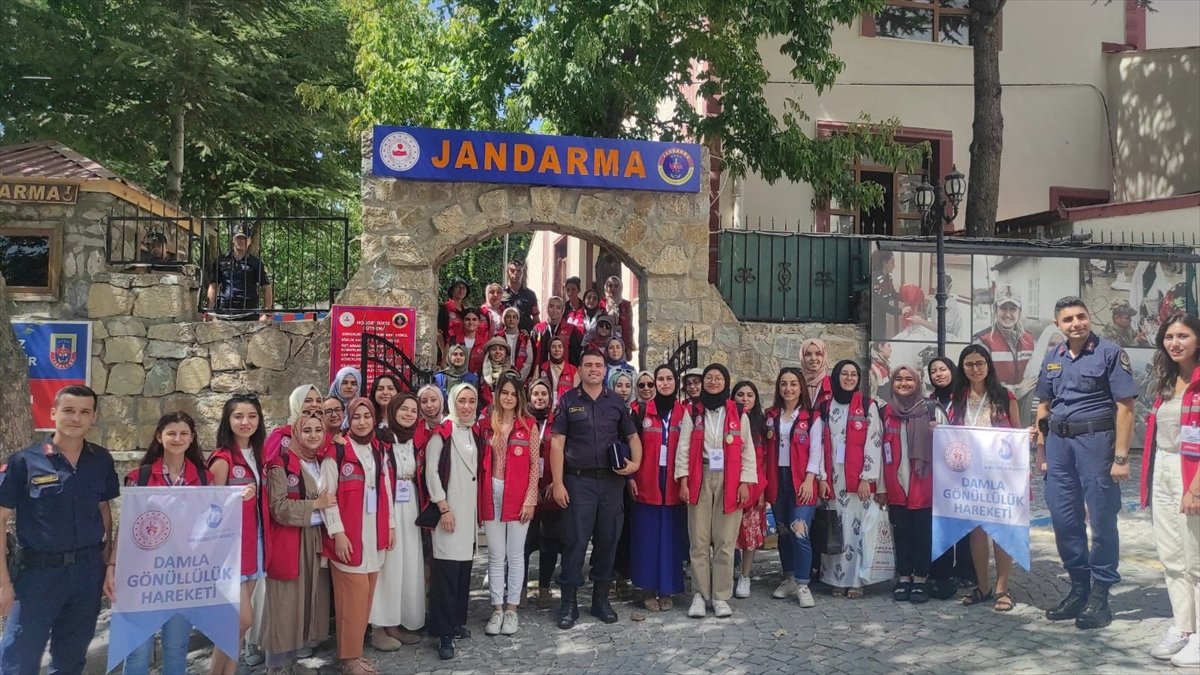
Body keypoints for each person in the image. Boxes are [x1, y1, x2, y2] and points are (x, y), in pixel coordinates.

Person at [0, 385, 119, 674]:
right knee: (18, 659)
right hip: (38, 576)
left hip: (87, 574)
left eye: (84, 412)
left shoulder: (101, 459)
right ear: (53, 413)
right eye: (68, 410)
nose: (75, 418)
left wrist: (108, 564)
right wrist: (3, 583)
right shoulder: (24, 462)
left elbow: (104, 512)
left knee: (71, 659)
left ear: (93, 417)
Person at [1035, 296, 1137, 630]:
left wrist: (1120, 458)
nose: (1075, 323)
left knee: (1103, 518)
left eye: (1081, 317)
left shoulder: (1109, 353)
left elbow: (1125, 407)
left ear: (1089, 317)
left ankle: (1101, 592)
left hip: (1096, 443)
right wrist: (1041, 450)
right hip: (1059, 445)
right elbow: (1044, 405)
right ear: (1058, 325)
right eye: (1068, 319)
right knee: (1064, 519)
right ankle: (1079, 587)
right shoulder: (1054, 356)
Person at [549, 349, 643, 629]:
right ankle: (569, 603)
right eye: (588, 364)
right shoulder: (567, 401)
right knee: (575, 543)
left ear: (605, 371)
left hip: (611, 484)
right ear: (579, 370)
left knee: (608, 540)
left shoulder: (616, 402)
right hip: (578, 483)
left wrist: (635, 465)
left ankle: (600, 600)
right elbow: (557, 444)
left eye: (598, 365)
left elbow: (633, 436)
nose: (593, 369)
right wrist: (558, 483)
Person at [120, 412, 214, 675]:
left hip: (183, 579)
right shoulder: (138, 476)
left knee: (176, 650)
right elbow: (126, 528)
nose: (177, 438)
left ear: (192, 437)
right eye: (171, 433)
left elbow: (214, 524)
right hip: (143, 578)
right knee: (137, 653)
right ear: (159, 436)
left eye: (184, 433)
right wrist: (115, 565)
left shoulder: (206, 480)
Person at [1140, 312, 1200, 666]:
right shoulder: (1166, 379)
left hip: (1191, 470)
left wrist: (1195, 487)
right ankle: (1183, 627)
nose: (1175, 343)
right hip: (1162, 467)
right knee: (1171, 555)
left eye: (1183, 336)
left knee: (1196, 556)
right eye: (1169, 337)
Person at [674, 364, 757, 619]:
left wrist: (745, 482)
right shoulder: (693, 411)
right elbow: (684, 448)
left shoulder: (737, 411)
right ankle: (700, 594)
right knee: (698, 539)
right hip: (701, 475)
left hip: (729, 479)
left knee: (725, 540)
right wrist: (684, 481)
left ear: (726, 382)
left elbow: (747, 450)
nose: (712, 382)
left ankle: (721, 595)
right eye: (708, 378)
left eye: (717, 378)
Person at [319, 397, 394, 674]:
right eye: (357, 416)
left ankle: (356, 653)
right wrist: (337, 533)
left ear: (374, 419)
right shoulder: (336, 452)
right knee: (351, 600)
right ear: (350, 419)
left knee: (365, 598)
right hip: (349, 537)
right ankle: (348, 659)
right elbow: (326, 496)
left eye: (367, 416)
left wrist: (391, 526)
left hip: (373, 534)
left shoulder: (378, 449)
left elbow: (385, 487)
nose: (362, 421)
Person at [262, 411, 336, 675]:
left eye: (318, 430)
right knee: (285, 602)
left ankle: (292, 662)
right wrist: (316, 504)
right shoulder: (280, 464)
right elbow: (278, 507)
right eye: (307, 431)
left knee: (307, 600)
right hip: (290, 538)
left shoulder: (321, 462)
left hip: (315, 537)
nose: (314, 435)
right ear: (296, 433)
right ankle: (276, 667)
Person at [950, 345, 1021, 611]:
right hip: (970, 475)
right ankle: (983, 586)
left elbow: (1016, 434)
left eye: (980, 363)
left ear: (988, 365)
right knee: (977, 532)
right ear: (963, 368)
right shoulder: (959, 398)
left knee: (1001, 531)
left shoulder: (1004, 396)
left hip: (1001, 474)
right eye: (969, 364)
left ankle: (1003, 588)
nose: (975, 369)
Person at [206, 393, 267, 675]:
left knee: (237, 625)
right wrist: (233, 497)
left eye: (251, 416)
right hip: (231, 549)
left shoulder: (257, 454)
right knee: (241, 620)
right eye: (238, 416)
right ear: (228, 421)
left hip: (254, 543)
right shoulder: (222, 459)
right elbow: (209, 508)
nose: (245, 422)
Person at [881, 366, 951, 604]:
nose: (904, 383)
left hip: (925, 484)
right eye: (898, 379)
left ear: (918, 382)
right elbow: (879, 450)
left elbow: (951, 446)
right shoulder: (885, 412)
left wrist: (938, 433)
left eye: (909, 379)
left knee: (923, 534)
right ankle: (903, 577)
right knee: (901, 533)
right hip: (896, 483)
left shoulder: (932, 409)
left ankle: (920, 579)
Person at [425, 383, 484, 660]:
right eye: (462, 400)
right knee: (446, 573)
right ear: (453, 402)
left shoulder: (474, 432)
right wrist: (443, 506)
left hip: (468, 512)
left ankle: (457, 621)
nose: (467, 406)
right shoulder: (442, 432)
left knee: (462, 571)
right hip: (449, 511)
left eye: (471, 401)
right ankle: (443, 630)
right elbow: (432, 472)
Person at [480, 372, 541, 636]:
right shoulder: (486, 424)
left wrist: (530, 499)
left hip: (518, 495)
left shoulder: (529, 426)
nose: (508, 397)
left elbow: (534, 467)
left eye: (513, 394)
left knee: (515, 555)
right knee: (495, 555)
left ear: (520, 397)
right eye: (504, 392)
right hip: (491, 491)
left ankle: (512, 609)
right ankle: (496, 608)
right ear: (497, 395)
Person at [819, 360, 884, 597]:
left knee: (858, 530)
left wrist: (867, 477)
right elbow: (820, 443)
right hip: (834, 478)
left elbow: (874, 442)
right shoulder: (825, 407)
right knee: (837, 529)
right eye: (844, 374)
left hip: (858, 479)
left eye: (853, 374)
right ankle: (836, 579)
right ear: (836, 377)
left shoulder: (868, 406)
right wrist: (822, 477)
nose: (848, 378)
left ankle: (856, 581)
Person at [762, 368, 825, 607]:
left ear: (801, 388)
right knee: (783, 531)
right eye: (784, 384)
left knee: (800, 530)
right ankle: (788, 576)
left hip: (801, 479)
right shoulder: (771, 415)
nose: (788, 389)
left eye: (793, 384)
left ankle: (803, 583)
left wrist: (811, 479)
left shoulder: (812, 416)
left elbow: (816, 451)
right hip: (778, 479)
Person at [630, 365, 689, 612]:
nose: (664, 383)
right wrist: (630, 477)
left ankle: (667, 589)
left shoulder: (684, 413)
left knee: (671, 540)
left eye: (668, 379)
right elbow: (629, 445)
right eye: (659, 380)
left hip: (674, 482)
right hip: (647, 481)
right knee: (648, 539)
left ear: (675, 383)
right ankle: (648, 589)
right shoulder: (641, 411)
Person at [370, 394, 425, 650]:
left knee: (407, 564)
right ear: (393, 410)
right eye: (403, 408)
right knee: (388, 565)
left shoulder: (414, 440)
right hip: (389, 503)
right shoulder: (380, 439)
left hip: (409, 503)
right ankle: (380, 626)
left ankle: (399, 621)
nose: (408, 414)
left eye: (413, 410)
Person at [524, 379, 561, 608]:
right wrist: (529, 487)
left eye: (544, 394)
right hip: (526, 493)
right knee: (524, 543)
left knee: (550, 542)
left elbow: (565, 452)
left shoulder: (557, 423)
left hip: (549, 491)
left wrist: (556, 481)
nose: (540, 398)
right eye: (536, 394)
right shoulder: (523, 422)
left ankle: (544, 587)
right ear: (530, 397)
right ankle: (518, 587)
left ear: (550, 397)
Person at [732, 381, 770, 600]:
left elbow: (764, 460)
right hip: (730, 485)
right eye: (740, 394)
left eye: (749, 395)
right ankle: (725, 573)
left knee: (750, 534)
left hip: (755, 485)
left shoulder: (762, 425)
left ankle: (745, 576)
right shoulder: (728, 419)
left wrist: (763, 489)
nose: (745, 399)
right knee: (729, 534)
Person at [973, 287, 1037, 400]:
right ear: (995, 310)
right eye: (1003, 308)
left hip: (1022, 410)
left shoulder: (1030, 340)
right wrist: (1016, 391)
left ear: (1020, 312)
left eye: (1013, 309)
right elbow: (979, 381)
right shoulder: (982, 341)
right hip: (993, 407)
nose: (1008, 314)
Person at [205, 222, 273, 321]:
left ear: (250, 241)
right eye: (238, 238)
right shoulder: (221, 261)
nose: (241, 241)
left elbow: (266, 288)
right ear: (233, 240)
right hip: (225, 311)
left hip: (249, 311)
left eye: (244, 238)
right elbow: (213, 286)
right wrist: (209, 310)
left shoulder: (256, 263)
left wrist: (267, 314)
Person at [266, 385, 324, 463]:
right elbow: (269, 468)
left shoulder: (323, 435)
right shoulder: (280, 436)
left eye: (319, 401)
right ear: (296, 403)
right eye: (308, 400)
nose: (314, 404)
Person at [534, 296, 583, 367]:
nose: (554, 310)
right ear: (546, 309)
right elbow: (532, 354)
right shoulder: (538, 329)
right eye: (551, 306)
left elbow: (576, 356)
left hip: (565, 374)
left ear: (562, 310)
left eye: (558, 308)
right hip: (542, 372)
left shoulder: (572, 330)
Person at [438, 278, 471, 367]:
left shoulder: (466, 311)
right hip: (448, 351)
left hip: (462, 352)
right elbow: (439, 333)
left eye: (464, 288)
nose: (461, 290)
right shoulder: (445, 308)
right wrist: (443, 352)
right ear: (452, 290)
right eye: (458, 287)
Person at [502, 260, 540, 332]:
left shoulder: (530, 294)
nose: (516, 273)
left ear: (522, 273)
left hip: (525, 335)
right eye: (512, 270)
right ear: (507, 272)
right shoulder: (500, 293)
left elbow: (536, 319)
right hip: (505, 336)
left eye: (519, 271)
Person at [601, 275, 636, 355]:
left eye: (616, 286)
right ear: (606, 287)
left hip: (621, 344)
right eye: (610, 286)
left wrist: (629, 348)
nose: (613, 288)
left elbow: (629, 327)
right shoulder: (602, 304)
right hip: (605, 343)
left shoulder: (626, 305)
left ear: (620, 287)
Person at [540, 336, 579, 406]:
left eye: (560, 347)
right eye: (553, 347)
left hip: (565, 409)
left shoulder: (573, 370)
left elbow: (576, 396)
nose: (557, 350)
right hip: (545, 408)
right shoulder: (541, 368)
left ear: (564, 349)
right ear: (549, 349)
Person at [496, 307, 534, 380]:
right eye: (508, 317)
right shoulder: (497, 337)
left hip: (520, 377)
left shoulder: (525, 338)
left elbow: (529, 360)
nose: (511, 320)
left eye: (514, 317)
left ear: (518, 320)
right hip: (501, 377)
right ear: (503, 319)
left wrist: (520, 376)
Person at [871, 250, 901, 338]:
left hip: (881, 318)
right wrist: (900, 311)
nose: (894, 266)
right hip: (874, 319)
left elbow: (893, 294)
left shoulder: (887, 278)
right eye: (892, 263)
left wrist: (907, 296)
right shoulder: (874, 278)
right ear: (884, 262)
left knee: (881, 340)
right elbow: (881, 304)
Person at [799, 338, 833, 409]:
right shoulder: (795, 383)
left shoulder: (832, 384)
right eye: (808, 354)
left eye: (818, 354)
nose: (813, 358)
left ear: (824, 356)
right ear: (802, 357)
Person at [481, 336, 513, 408]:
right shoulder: (481, 371)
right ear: (489, 352)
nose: (497, 352)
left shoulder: (512, 372)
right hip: (484, 409)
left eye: (501, 349)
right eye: (493, 349)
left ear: (506, 352)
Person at [460, 307, 490, 375]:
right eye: (467, 319)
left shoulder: (485, 343)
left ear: (479, 322)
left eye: (474, 319)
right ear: (462, 321)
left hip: (477, 381)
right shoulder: (454, 341)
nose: (471, 322)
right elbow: (444, 364)